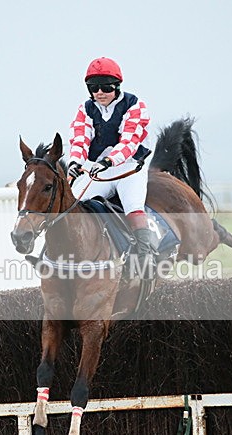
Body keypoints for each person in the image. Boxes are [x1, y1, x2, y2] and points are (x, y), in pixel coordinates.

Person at [67, 57, 156, 278]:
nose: (100, 92)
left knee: (133, 206)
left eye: (106, 87)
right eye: (94, 88)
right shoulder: (85, 108)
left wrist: (108, 161)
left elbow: (129, 142)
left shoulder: (135, 105)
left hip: (129, 168)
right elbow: (79, 140)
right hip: (98, 170)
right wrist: (75, 163)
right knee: (73, 205)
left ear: (117, 87)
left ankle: (145, 259)